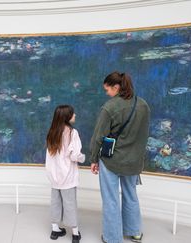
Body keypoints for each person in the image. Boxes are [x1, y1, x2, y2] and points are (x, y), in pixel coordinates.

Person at [90, 72, 150, 243]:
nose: (106, 93)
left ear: (116, 87)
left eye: (107, 89)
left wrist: (94, 159)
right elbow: (144, 135)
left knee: (111, 199)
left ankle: (112, 238)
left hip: (112, 161)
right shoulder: (143, 105)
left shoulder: (109, 108)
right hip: (134, 161)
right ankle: (135, 232)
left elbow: (98, 137)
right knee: (131, 195)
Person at [45, 105, 85, 243]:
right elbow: (75, 156)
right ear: (67, 117)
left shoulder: (51, 133)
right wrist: (83, 158)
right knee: (70, 203)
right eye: (73, 114)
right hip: (67, 176)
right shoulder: (72, 133)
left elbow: (50, 156)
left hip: (54, 176)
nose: (75, 115)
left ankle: (55, 231)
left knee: (55, 202)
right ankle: (75, 234)